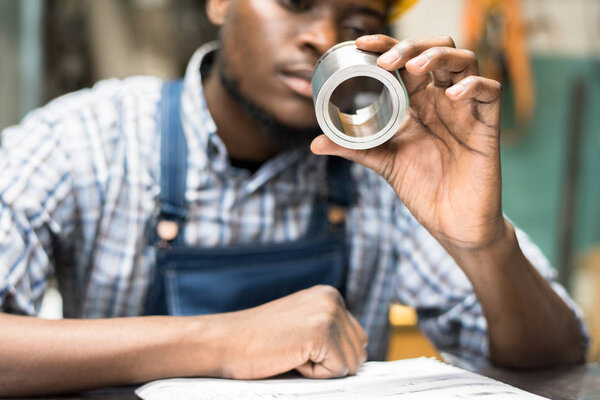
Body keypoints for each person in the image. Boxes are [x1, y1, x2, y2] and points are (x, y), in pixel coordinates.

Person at [0, 0, 587, 397]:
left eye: (356, 17)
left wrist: (481, 242)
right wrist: (227, 340)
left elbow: (556, 355)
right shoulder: (86, 141)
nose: (323, 38)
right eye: (295, 1)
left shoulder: (390, 172)